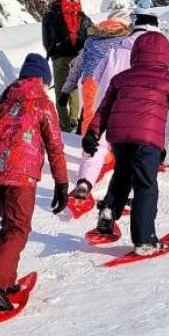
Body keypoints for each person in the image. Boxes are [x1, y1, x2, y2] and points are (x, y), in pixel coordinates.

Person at [0, 54, 69, 309]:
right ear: (43, 80)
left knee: (9, 226)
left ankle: (5, 280)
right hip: (21, 175)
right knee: (18, 229)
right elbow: (54, 145)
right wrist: (62, 184)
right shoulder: (42, 104)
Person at [83, 32, 169, 255]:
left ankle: (108, 212)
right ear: (166, 55)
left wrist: (92, 133)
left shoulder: (121, 78)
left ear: (136, 53)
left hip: (119, 138)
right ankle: (145, 240)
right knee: (145, 186)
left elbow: (103, 110)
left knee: (122, 174)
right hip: (147, 141)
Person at [63, 11, 136, 199]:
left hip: (89, 81)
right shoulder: (126, 39)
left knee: (91, 117)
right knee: (115, 117)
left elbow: (77, 65)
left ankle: (90, 156)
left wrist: (67, 88)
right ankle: (109, 155)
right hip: (114, 79)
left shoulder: (92, 38)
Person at [42, 0, 93, 131]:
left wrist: (51, 53)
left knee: (60, 89)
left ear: (51, 3)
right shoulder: (77, 13)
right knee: (73, 86)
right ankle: (73, 119)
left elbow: (46, 40)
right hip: (77, 55)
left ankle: (64, 125)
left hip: (59, 57)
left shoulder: (49, 16)